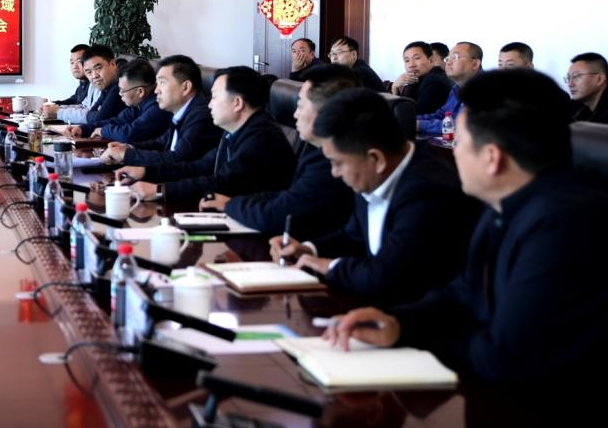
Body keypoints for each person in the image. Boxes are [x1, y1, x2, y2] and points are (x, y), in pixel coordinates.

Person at [326, 70, 608, 386]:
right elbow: (463, 294)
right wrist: (399, 324)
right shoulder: (502, 204)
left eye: (459, 141)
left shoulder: (563, 225)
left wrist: (417, 343)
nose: (454, 150)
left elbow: (504, 357)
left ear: (491, 158)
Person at [274, 88, 479, 306]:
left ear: (376, 159)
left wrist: (329, 266)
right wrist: (308, 249)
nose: (334, 173)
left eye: (337, 163)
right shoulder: (375, 172)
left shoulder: (428, 192)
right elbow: (354, 236)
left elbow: (384, 277)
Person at [205, 64, 356, 240]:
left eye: (300, 106)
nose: (295, 115)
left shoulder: (330, 165)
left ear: (326, 112)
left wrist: (230, 205)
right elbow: (288, 196)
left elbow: (277, 215)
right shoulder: (317, 153)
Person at [117, 66, 295, 206]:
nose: (209, 104)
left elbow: (222, 183)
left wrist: (159, 190)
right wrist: (146, 171)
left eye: (215, 97)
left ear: (237, 103)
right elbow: (200, 167)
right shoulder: (236, 130)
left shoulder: (261, 138)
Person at [101, 55, 221, 167]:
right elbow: (161, 143)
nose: (156, 90)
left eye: (162, 83)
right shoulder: (182, 111)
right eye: (157, 83)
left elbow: (178, 160)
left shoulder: (202, 116)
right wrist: (128, 147)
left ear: (185, 87)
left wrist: (126, 155)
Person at [87, 58, 171, 143]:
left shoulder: (158, 107)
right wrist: (83, 129)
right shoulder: (137, 106)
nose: (120, 94)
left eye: (122, 90)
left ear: (140, 92)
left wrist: (102, 131)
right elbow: (117, 121)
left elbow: (128, 134)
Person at [416, 41, 483, 136]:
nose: (448, 62)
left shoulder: (487, 89)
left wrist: (420, 125)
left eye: (455, 57)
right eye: (447, 58)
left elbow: (466, 127)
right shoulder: (457, 88)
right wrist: (411, 119)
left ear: (475, 64)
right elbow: (442, 115)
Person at [62, 45, 125, 137]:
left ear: (112, 64)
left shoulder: (119, 87)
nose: (94, 76)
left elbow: (98, 119)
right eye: (89, 72)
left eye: (98, 68)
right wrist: (81, 129)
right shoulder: (106, 88)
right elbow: (90, 114)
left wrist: (85, 126)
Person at [391, 40, 453, 114]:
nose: (411, 65)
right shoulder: (420, 79)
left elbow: (413, 115)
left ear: (431, 60)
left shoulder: (434, 81)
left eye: (417, 58)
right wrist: (394, 87)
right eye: (407, 60)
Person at [567, 51, 608, 124]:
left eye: (576, 76)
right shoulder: (575, 107)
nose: (570, 84)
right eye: (568, 78)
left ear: (600, 79)